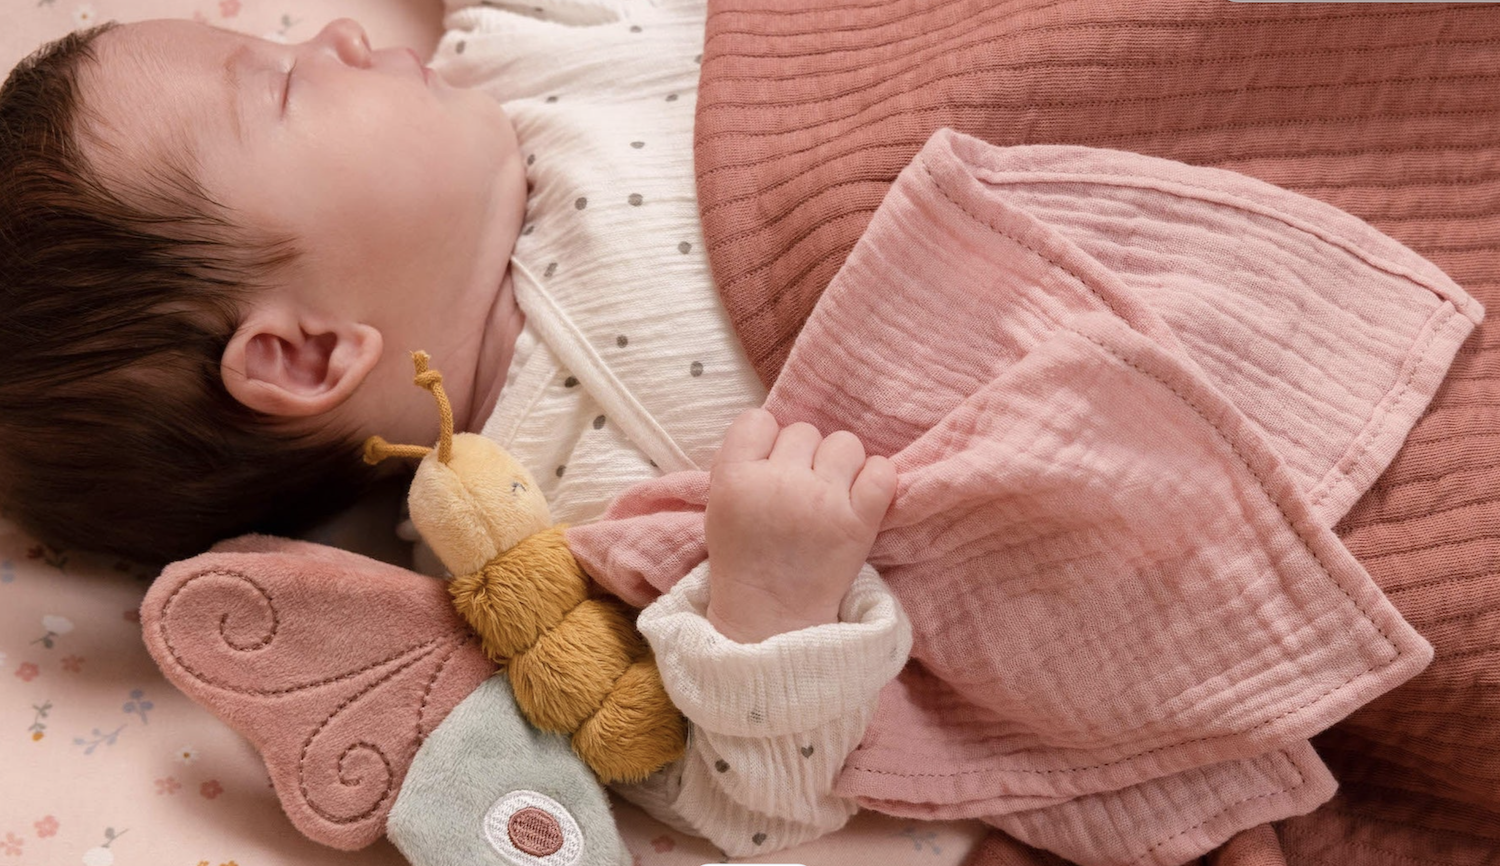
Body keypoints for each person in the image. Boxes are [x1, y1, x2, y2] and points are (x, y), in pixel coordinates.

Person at [0, 0, 911, 857]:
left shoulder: (528, 57)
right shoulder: (539, 548)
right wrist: (773, 612)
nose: (344, 35)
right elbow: (742, 804)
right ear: (306, 357)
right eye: (285, 85)